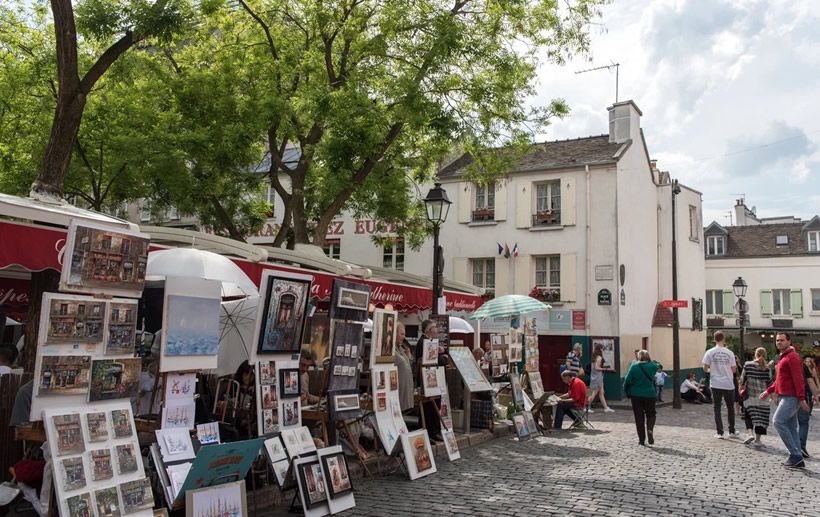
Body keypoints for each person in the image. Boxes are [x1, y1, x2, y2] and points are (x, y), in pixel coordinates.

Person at [760, 332, 809, 468]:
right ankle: (797, 457)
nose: (779, 343)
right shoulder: (783, 358)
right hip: (785, 396)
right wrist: (768, 391)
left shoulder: (792, 357)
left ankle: (795, 455)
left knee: (778, 421)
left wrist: (802, 398)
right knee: (792, 428)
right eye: (777, 341)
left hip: (791, 397)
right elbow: (779, 380)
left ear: (789, 341)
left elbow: (798, 379)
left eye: (782, 340)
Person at [702, 331, 739, 439]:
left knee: (717, 408)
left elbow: (705, 367)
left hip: (715, 383)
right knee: (730, 407)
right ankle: (731, 430)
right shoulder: (730, 353)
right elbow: (733, 370)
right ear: (723, 339)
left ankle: (720, 432)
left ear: (714, 339)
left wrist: (711, 371)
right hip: (728, 383)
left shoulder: (710, 352)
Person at [623, 350, 659, 446]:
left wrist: (626, 391)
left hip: (636, 394)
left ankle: (641, 440)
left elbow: (627, 380)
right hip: (650, 394)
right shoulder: (652, 366)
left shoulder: (634, 366)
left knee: (639, 417)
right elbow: (658, 365)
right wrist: (652, 361)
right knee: (651, 413)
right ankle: (650, 429)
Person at [415, 320, 443, 442]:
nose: (437, 329)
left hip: (432, 376)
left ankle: (434, 431)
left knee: (434, 404)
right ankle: (427, 432)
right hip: (425, 378)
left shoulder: (430, 341)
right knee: (427, 406)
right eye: (435, 327)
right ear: (429, 330)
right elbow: (421, 360)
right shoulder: (422, 342)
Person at [740, 347, 772, 446]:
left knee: (748, 415)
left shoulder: (748, 365)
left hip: (750, 395)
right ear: (765, 355)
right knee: (761, 418)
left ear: (755, 354)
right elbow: (770, 383)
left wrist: (740, 391)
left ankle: (750, 434)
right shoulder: (767, 368)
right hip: (763, 397)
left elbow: (742, 380)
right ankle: (758, 440)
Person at [797, 355, 819, 458]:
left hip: (790, 397)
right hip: (803, 396)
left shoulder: (783, 363)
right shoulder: (802, 366)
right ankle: (800, 446)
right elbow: (810, 381)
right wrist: (816, 396)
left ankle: (795, 447)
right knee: (803, 423)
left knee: (790, 423)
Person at [394, 322, 416, 412]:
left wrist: (408, 355)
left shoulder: (401, 349)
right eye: (402, 334)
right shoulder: (391, 350)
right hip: (397, 391)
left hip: (406, 390)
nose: (404, 337)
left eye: (404, 334)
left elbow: (407, 365)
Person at [586, 344, 614, 412]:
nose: (603, 350)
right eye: (602, 349)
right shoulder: (599, 357)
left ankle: (606, 408)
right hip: (597, 377)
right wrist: (604, 369)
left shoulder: (594, 357)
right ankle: (587, 407)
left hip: (594, 377)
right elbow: (596, 367)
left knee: (601, 393)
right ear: (600, 349)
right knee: (593, 393)